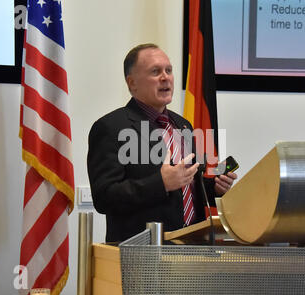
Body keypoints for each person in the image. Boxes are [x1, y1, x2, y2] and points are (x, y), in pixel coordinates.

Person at [87, 43, 237, 242]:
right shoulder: (110, 127)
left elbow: (188, 187)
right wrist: (161, 183)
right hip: (144, 253)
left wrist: (214, 187)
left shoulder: (183, 125)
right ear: (132, 83)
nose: (165, 77)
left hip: (193, 246)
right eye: (155, 72)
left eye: (169, 70)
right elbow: (104, 198)